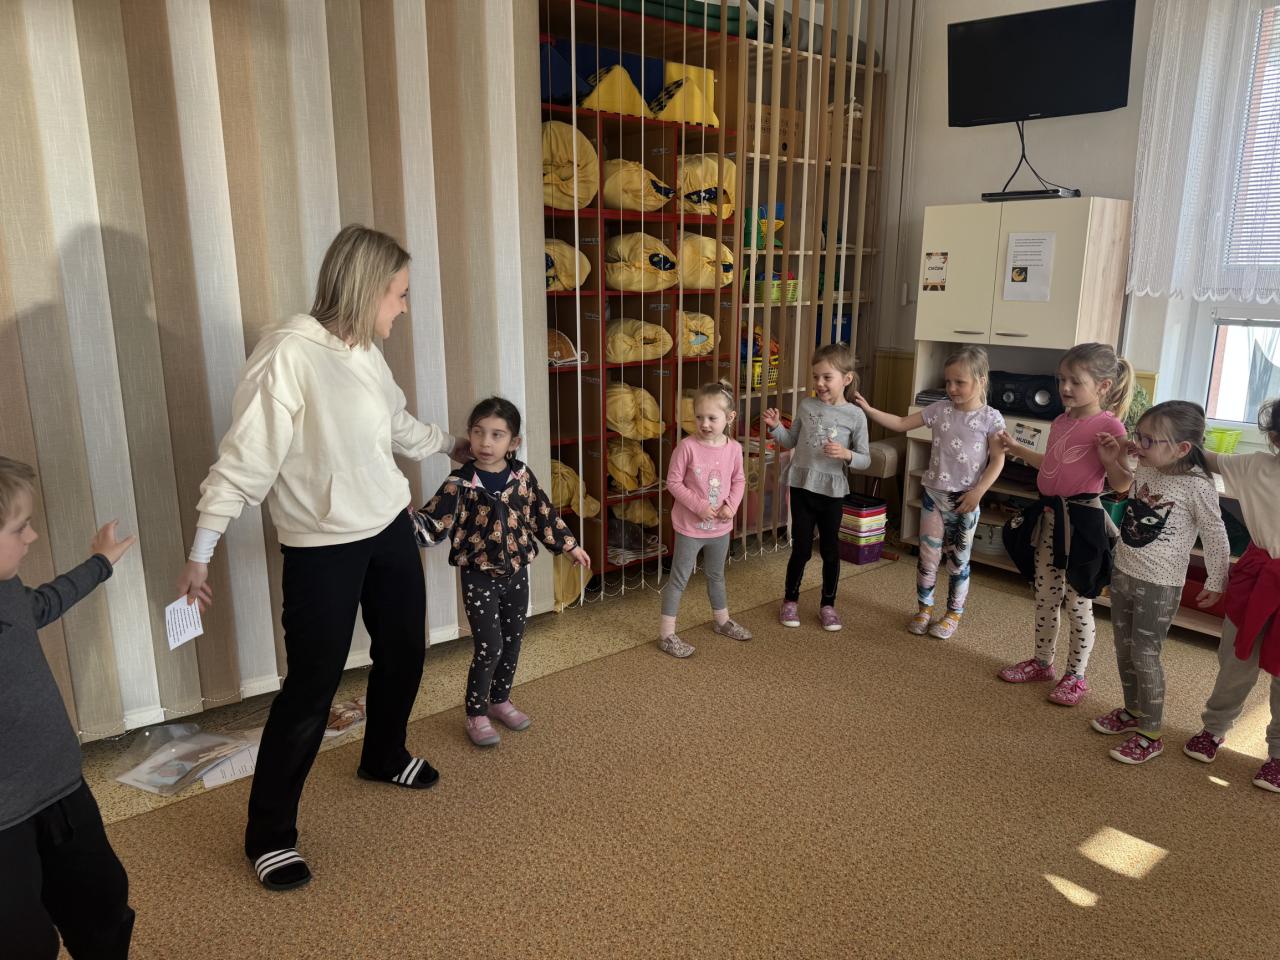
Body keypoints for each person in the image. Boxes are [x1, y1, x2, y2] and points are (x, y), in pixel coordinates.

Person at [175, 225, 469, 891]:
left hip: (388, 526)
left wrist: (451, 443)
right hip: (321, 548)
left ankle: (383, 754)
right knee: (312, 686)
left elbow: (394, 423)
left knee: (406, 649)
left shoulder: (365, 351)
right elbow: (244, 460)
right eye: (399, 294)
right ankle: (269, 834)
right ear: (367, 289)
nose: (404, 307)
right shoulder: (288, 354)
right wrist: (201, 551)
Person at [0, 456, 137, 958]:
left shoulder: (7, 589)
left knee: (101, 901)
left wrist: (100, 563)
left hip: (60, 789)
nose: (32, 536)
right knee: (24, 940)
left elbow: (42, 604)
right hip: (4, 821)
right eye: (20, 528)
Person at [409, 397, 590, 746]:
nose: (486, 442)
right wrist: (405, 516)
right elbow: (434, 522)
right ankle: (476, 713)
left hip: (517, 574)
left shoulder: (521, 476)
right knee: (489, 647)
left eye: (497, 434)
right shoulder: (460, 482)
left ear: (513, 442)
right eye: (478, 433)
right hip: (478, 577)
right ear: (469, 435)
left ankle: (499, 700)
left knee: (512, 642)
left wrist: (570, 545)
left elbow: (542, 513)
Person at [1089, 402, 1230, 764]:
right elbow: (1124, 484)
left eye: (1149, 440)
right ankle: (1132, 711)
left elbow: (1215, 535)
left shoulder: (1198, 486)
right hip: (1124, 570)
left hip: (1160, 583)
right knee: (1123, 649)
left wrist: (1216, 579)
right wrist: (1118, 456)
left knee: (1145, 654)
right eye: (1138, 435)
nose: (1139, 444)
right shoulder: (1148, 465)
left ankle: (1151, 733)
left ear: (1182, 448)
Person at [996, 342, 1133, 706]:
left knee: (1077, 602)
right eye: (1061, 379)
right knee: (1045, 596)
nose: (1065, 387)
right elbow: (1051, 464)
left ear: (1103, 386)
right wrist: (1016, 448)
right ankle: (1042, 662)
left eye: (1075, 381)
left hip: (1082, 523)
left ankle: (1076, 676)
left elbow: (1123, 483)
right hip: (1050, 518)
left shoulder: (1110, 425)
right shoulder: (1061, 420)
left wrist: (1110, 459)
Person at [855, 345, 1005, 640]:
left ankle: (953, 614)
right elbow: (901, 423)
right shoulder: (939, 410)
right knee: (927, 557)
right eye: (948, 382)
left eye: (959, 382)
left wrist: (978, 492)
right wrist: (870, 411)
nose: (951, 388)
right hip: (933, 496)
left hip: (964, 500)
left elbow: (998, 461)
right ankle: (924, 609)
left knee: (958, 561)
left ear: (981, 381)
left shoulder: (991, 419)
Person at [1183, 398, 1280, 793]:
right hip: (1257, 576)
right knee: (1236, 660)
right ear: (1275, 439)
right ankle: (1214, 728)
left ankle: (1278, 755)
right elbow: (1206, 458)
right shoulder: (1256, 466)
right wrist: (1164, 439)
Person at [763, 342, 871, 631]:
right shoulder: (806, 405)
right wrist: (776, 427)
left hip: (832, 492)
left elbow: (865, 460)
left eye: (827, 377)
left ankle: (828, 605)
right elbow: (790, 441)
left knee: (830, 549)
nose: (819, 383)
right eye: (815, 377)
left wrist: (846, 454)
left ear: (846, 379)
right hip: (801, 485)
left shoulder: (855, 415)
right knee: (800, 548)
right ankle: (790, 601)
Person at [657, 380, 750, 658]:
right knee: (679, 579)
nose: (705, 424)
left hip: (720, 528)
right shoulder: (686, 447)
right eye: (699, 417)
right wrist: (699, 506)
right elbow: (673, 482)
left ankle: (722, 621)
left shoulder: (734, 449)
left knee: (716, 575)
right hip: (690, 528)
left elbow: (739, 480)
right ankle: (666, 635)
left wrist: (731, 506)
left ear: (729, 417)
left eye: (712, 418)